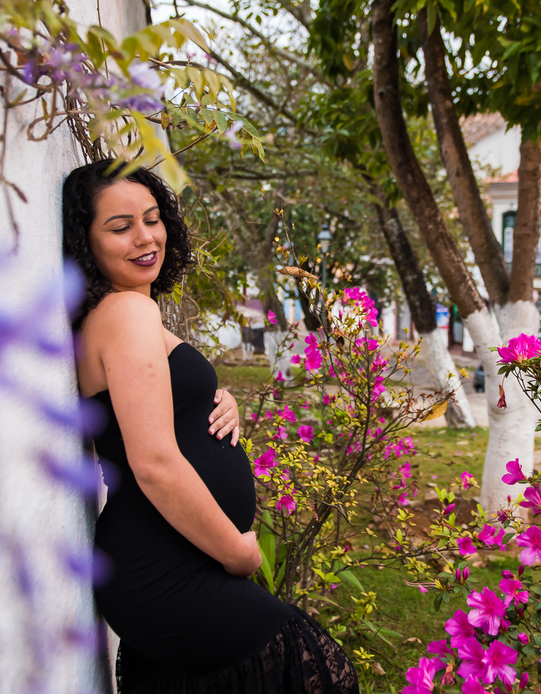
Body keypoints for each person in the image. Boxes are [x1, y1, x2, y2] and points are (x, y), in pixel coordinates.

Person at [62, 162, 359, 694]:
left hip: (169, 558)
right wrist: (237, 552)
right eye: (120, 226)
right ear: (86, 242)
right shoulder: (126, 312)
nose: (145, 237)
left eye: (152, 219)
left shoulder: (124, 312)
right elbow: (153, 463)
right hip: (166, 567)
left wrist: (212, 401)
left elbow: (156, 411)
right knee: (317, 672)